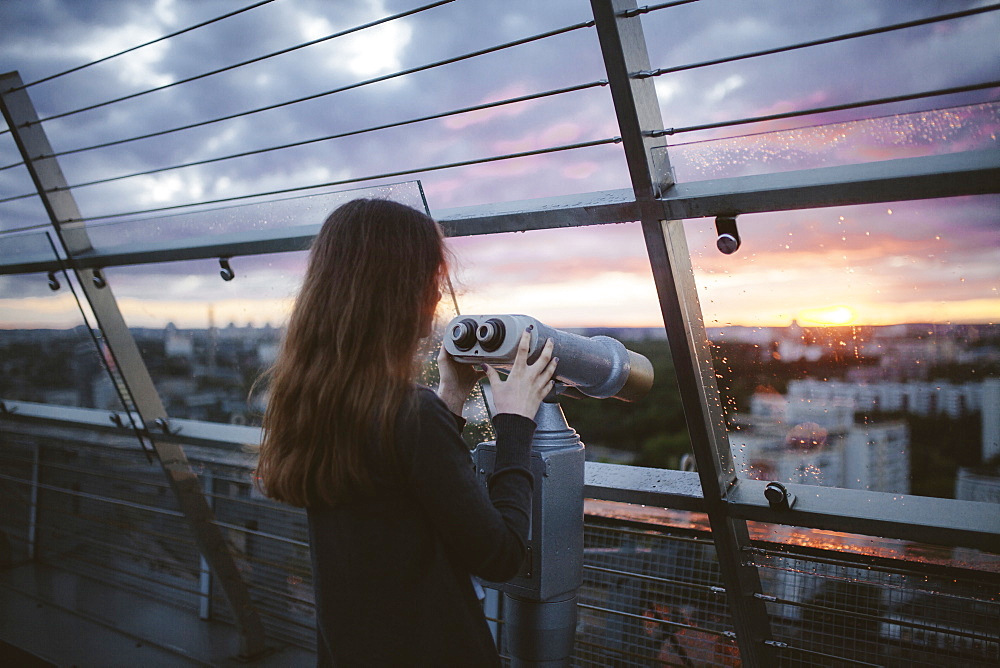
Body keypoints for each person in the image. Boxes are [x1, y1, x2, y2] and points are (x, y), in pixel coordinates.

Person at [254, 198, 557, 667]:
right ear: (398, 292)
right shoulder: (408, 413)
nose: (436, 297)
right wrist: (515, 425)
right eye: (430, 279)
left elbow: (398, 493)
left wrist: (450, 395)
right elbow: (501, 556)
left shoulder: (312, 401)